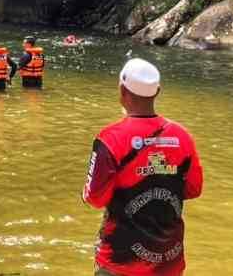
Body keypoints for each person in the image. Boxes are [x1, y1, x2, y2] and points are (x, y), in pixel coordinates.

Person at [81, 58, 203, 275]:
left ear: (122, 90)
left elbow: (94, 198)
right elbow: (194, 189)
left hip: (120, 261)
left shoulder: (110, 138)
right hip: (168, 261)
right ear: (157, 92)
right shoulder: (182, 135)